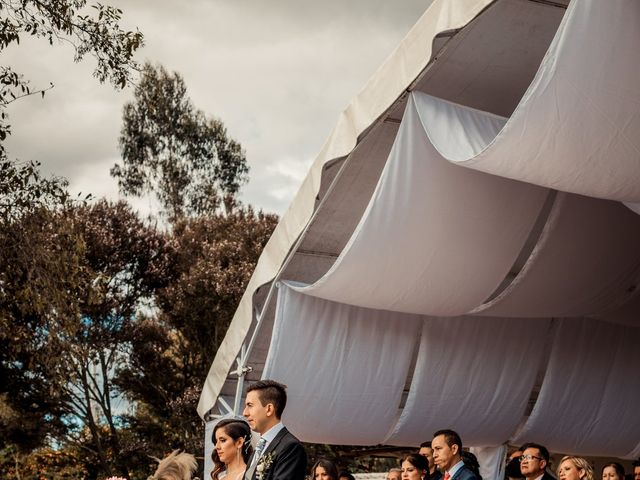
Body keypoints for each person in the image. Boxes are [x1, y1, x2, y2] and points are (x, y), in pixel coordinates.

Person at [243, 379, 307, 480]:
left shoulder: (291, 447)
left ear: (269, 409)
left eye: (250, 405)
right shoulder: (259, 447)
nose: (245, 413)